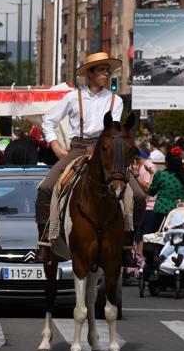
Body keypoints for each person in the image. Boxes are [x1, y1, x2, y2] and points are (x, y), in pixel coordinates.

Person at [34, 52, 146, 265]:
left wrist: (103, 149)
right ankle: (45, 243)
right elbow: (48, 121)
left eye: (108, 70)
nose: (107, 74)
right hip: (78, 148)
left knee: (139, 196)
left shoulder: (116, 100)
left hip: (106, 151)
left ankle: (127, 242)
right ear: (90, 73)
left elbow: (112, 130)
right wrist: (56, 146)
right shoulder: (72, 97)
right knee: (46, 188)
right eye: (102, 70)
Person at [147, 147, 184, 231]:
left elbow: (151, 192)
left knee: (159, 239)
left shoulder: (161, 175)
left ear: (167, 163)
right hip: (179, 213)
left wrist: (150, 175)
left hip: (162, 212)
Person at [130, 147, 157, 256]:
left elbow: (147, 188)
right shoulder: (136, 167)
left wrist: (136, 175)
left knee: (146, 238)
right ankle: (139, 260)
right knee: (137, 237)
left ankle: (146, 264)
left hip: (149, 207)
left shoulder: (149, 166)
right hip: (139, 207)